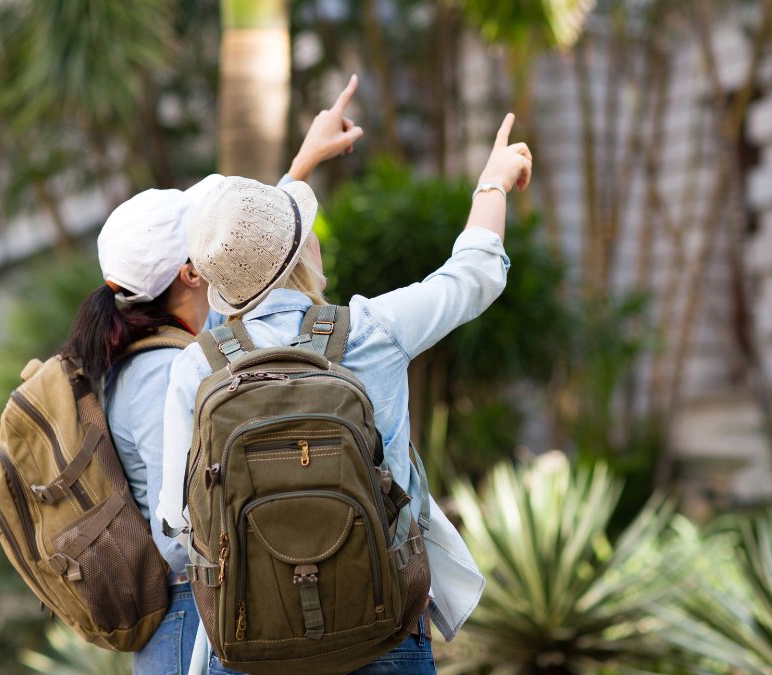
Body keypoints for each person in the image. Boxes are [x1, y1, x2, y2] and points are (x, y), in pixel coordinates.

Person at [158, 112, 532, 674]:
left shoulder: (199, 367)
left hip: (248, 640)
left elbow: (174, 520)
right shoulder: (373, 330)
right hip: (383, 628)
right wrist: (493, 181)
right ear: (306, 248)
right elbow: (473, 275)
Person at [60, 75, 366, 675]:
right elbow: (177, 531)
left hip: (204, 614)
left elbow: (256, 250)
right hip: (188, 622)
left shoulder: (178, 345)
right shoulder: (164, 372)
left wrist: (303, 162)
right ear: (193, 273)